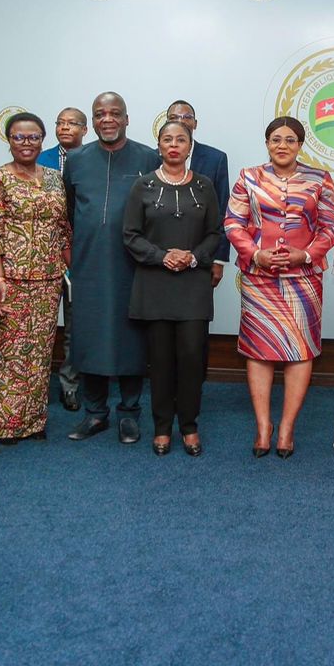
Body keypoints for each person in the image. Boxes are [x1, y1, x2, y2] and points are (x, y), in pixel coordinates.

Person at [224, 116, 334, 458]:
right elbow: (233, 222)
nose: (282, 145)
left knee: (300, 350)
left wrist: (305, 254)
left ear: (300, 145)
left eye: (290, 140)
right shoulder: (249, 177)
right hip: (259, 277)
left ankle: (287, 427)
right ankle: (263, 426)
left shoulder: (319, 179)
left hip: (303, 279)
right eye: (276, 139)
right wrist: (256, 254)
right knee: (259, 349)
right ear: (266, 143)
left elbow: (332, 226)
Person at [63, 92, 161, 444]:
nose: (108, 119)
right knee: (89, 337)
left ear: (126, 119)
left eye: (114, 113)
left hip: (133, 266)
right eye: (100, 114)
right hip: (88, 264)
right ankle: (95, 413)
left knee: (131, 338)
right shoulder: (75, 160)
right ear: (92, 121)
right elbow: (70, 210)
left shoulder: (149, 158)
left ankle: (129, 414)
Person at [123, 121, 223, 456]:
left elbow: (214, 234)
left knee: (193, 358)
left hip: (193, 285)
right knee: (161, 361)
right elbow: (131, 235)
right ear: (159, 145)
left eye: (181, 139)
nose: (174, 145)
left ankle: (190, 426)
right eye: (168, 139)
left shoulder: (205, 186)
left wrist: (193, 258)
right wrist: (162, 256)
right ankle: (163, 427)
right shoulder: (143, 186)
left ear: (190, 146)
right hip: (155, 284)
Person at [0, 112, 70, 444]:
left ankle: (33, 422)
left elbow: (63, 229)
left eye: (33, 137)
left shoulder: (55, 178)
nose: (26, 143)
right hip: (11, 280)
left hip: (48, 279)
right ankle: (2, 425)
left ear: (43, 140)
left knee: (40, 352)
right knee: (7, 353)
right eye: (19, 137)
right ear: (9, 140)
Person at [37, 107, 88, 413]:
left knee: (74, 326)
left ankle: (70, 385)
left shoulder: (92, 159)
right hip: (40, 256)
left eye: (72, 123)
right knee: (39, 326)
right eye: (60, 122)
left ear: (85, 129)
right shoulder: (38, 159)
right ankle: (35, 385)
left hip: (77, 256)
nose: (65, 127)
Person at [166, 100, 232, 287]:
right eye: (174, 117)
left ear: (195, 123)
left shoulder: (215, 158)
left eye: (187, 117)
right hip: (161, 256)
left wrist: (218, 259)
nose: (181, 121)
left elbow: (223, 209)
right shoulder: (153, 156)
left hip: (203, 256)